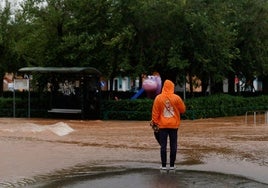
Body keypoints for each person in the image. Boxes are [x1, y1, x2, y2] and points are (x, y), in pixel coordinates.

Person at [151, 79, 186, 170]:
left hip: (162, 125)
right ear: (172, 87)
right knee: (173, 145)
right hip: (174, 125)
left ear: (164, 87)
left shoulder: (158, 98)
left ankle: (163, 166)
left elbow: (155, 113)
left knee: (163, 145)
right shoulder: (176, 98)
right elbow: (183, 110)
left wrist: (155, 123)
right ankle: (172, 165)